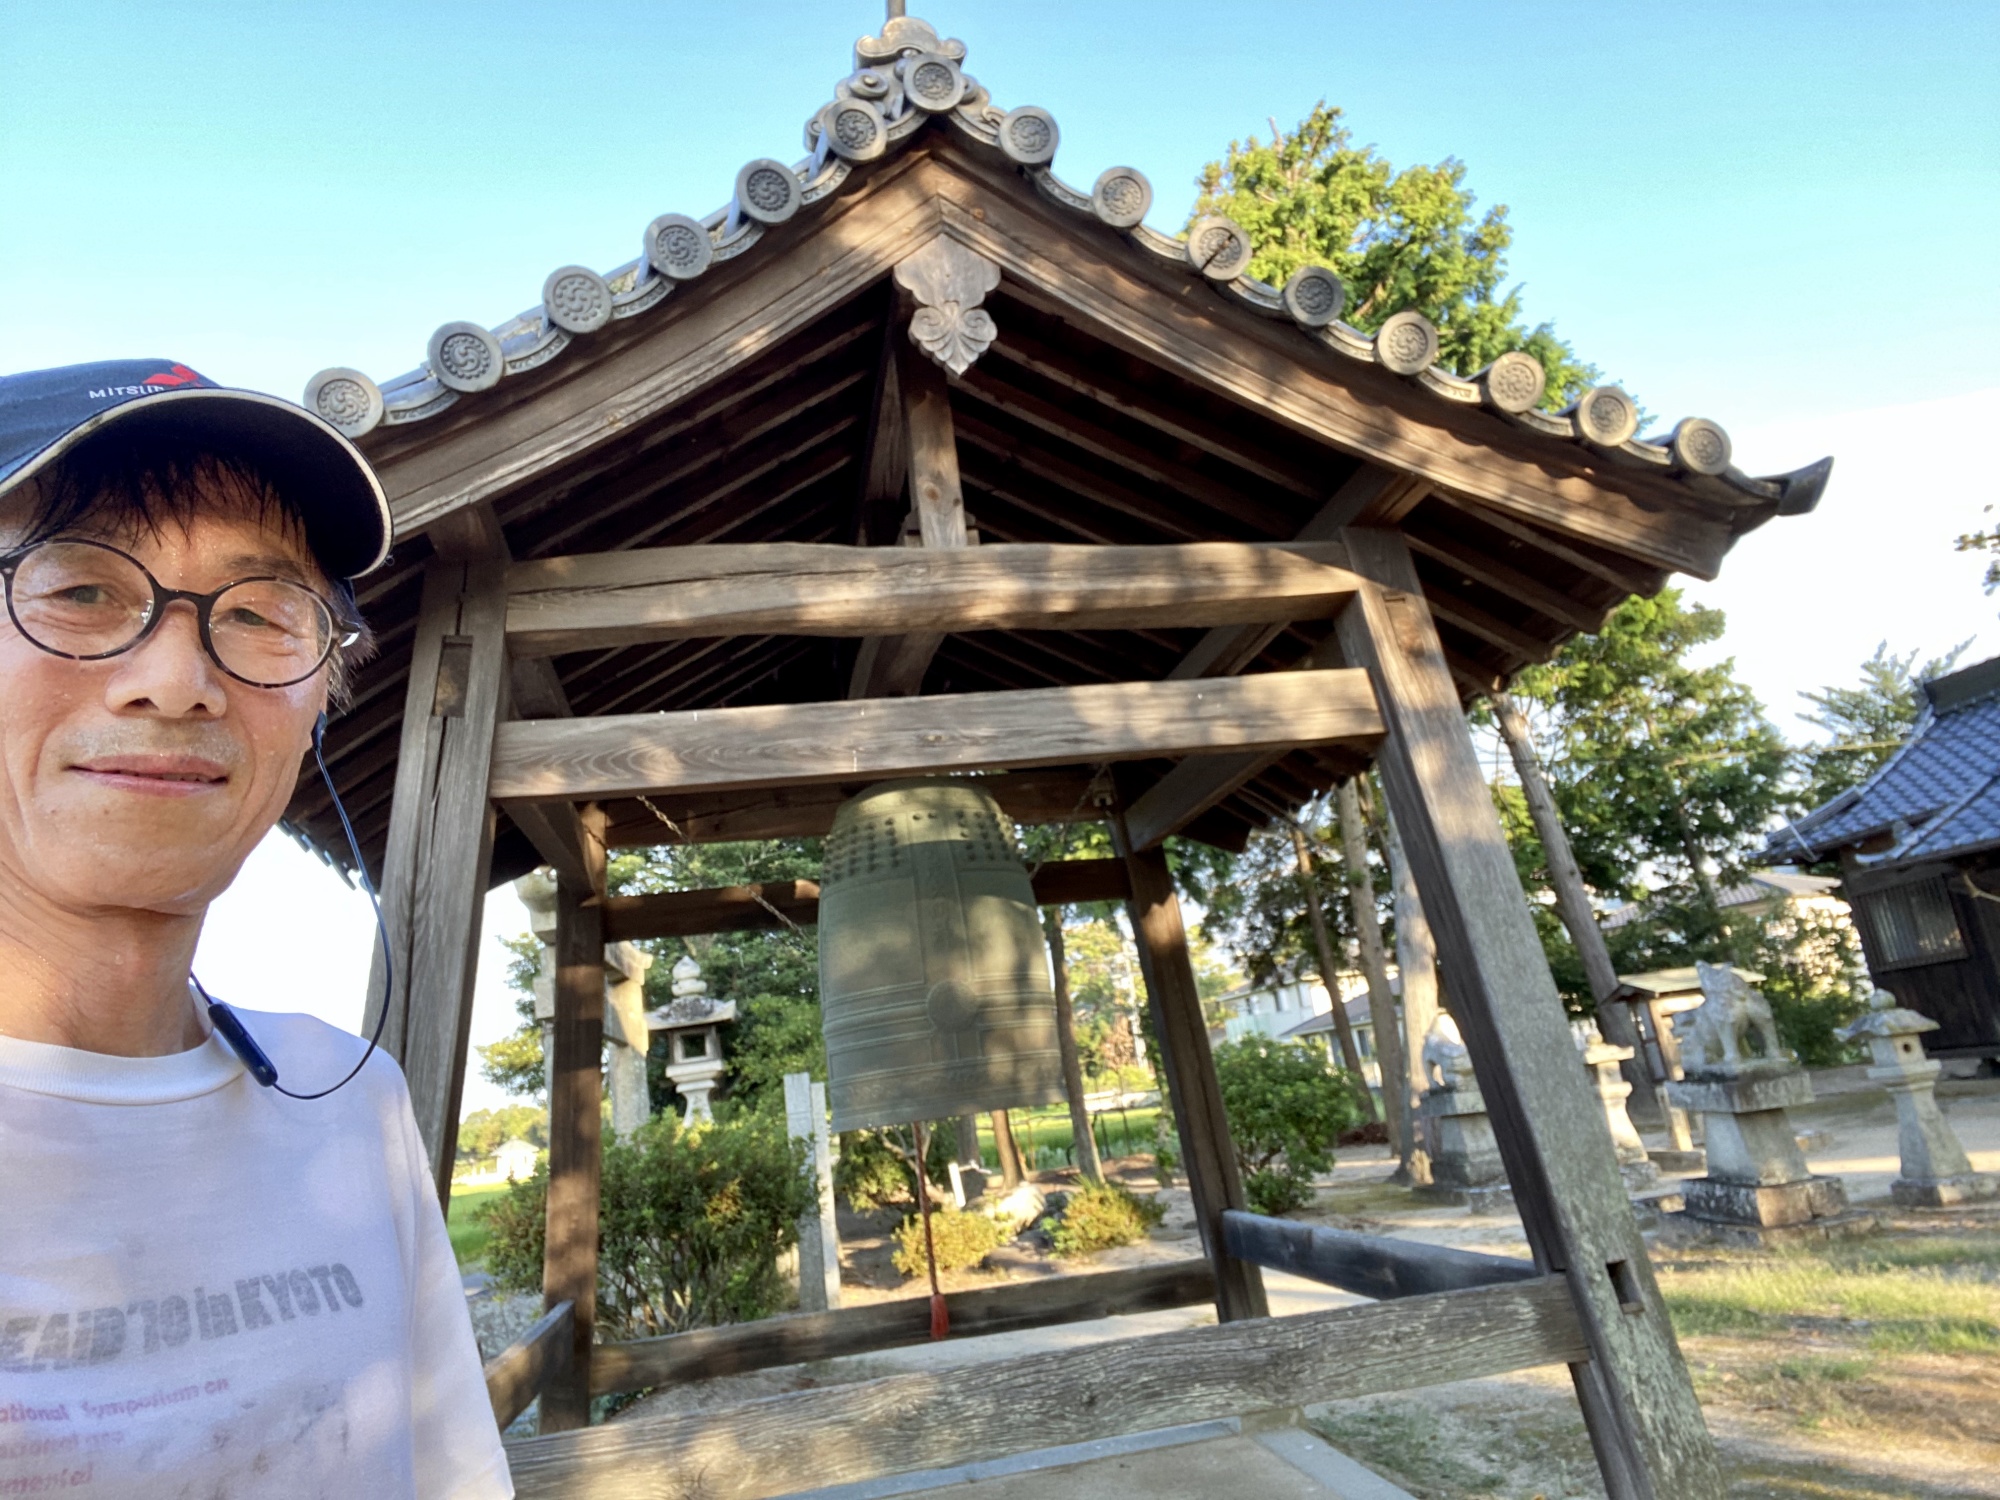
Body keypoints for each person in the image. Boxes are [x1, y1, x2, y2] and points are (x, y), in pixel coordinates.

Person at [0, 361, 511, 1498]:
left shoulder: (351, 1099)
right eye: (79, 591)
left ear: (323, 693)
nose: (176, 680)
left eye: (257, 614)